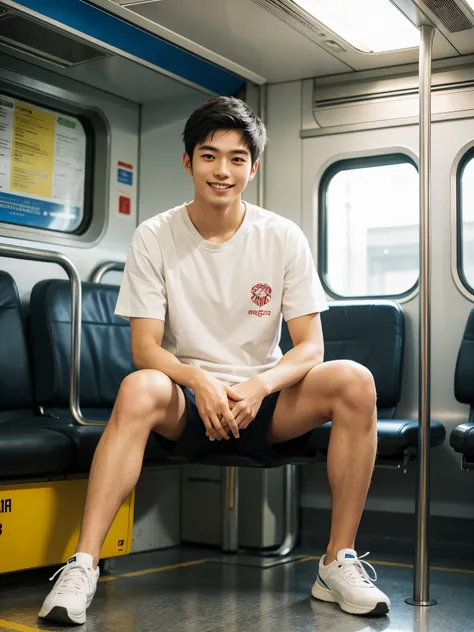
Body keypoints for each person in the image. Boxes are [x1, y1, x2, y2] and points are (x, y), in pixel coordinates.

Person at [38, 96, 390, 625]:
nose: (222, 170)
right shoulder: (154, 236)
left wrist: (260, 386)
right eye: (209, 155)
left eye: (236, 158)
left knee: (355, 381)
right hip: (186, 404)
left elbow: (310, 347)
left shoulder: (282, 237)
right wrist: (197, 379)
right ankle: (82, 564)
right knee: (139, 386)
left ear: (253, 167)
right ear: (188, 162)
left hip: (265, 407)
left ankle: (335, 561)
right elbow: (146, 349)